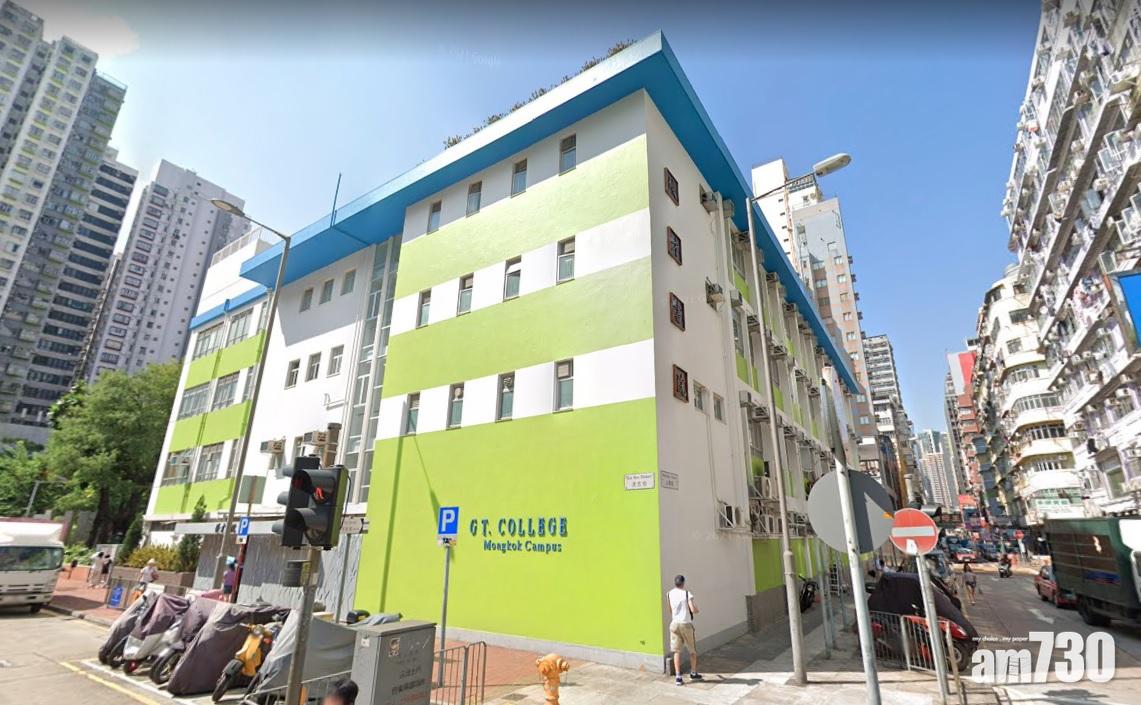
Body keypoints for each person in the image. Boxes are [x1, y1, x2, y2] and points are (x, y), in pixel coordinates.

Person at [666, 575, 702, 686]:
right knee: (692, 651)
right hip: (686, 625)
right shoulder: (687, 593)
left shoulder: (669, 594)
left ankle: (678, 677)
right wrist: (697, 610)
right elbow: (693, 609)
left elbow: (670, 610)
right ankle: (693, 673)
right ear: (683, 583)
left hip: (674, 625)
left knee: (677, 651)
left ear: (675, 583)